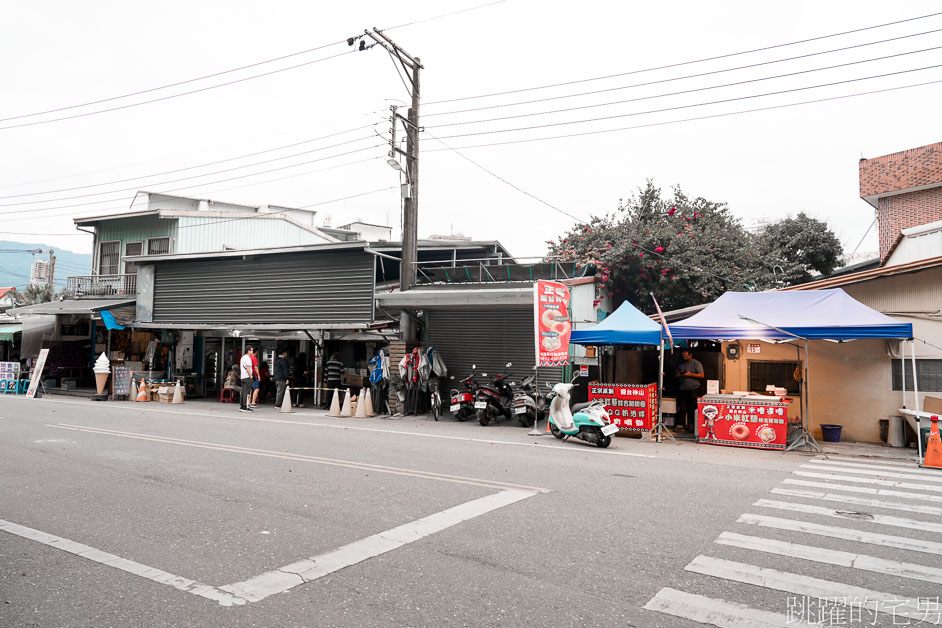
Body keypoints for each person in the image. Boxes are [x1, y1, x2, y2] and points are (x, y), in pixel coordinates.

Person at [674, 349, 704, 432]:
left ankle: (693, 425)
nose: (685, 358)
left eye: (686, 356)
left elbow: (702, 375)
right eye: (683, 356)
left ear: (691, 355)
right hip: (682, 388)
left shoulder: (696, 363)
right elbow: (676, 373)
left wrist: (690, 374)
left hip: (694, 389)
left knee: (693, 407)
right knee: (682, 408)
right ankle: (680, 425)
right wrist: (678, 374)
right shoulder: (681, 364)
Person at [239, 347, 255, 413]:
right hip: (247, 377)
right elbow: (248, 368)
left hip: (243, 377)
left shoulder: (243, 357)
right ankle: (245, 407)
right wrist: (251, 375)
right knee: (247, 393)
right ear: (248, 351)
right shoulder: (248, 358)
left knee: (243, 392)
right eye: (252, 350)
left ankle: (242, 406)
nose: (252, 351)